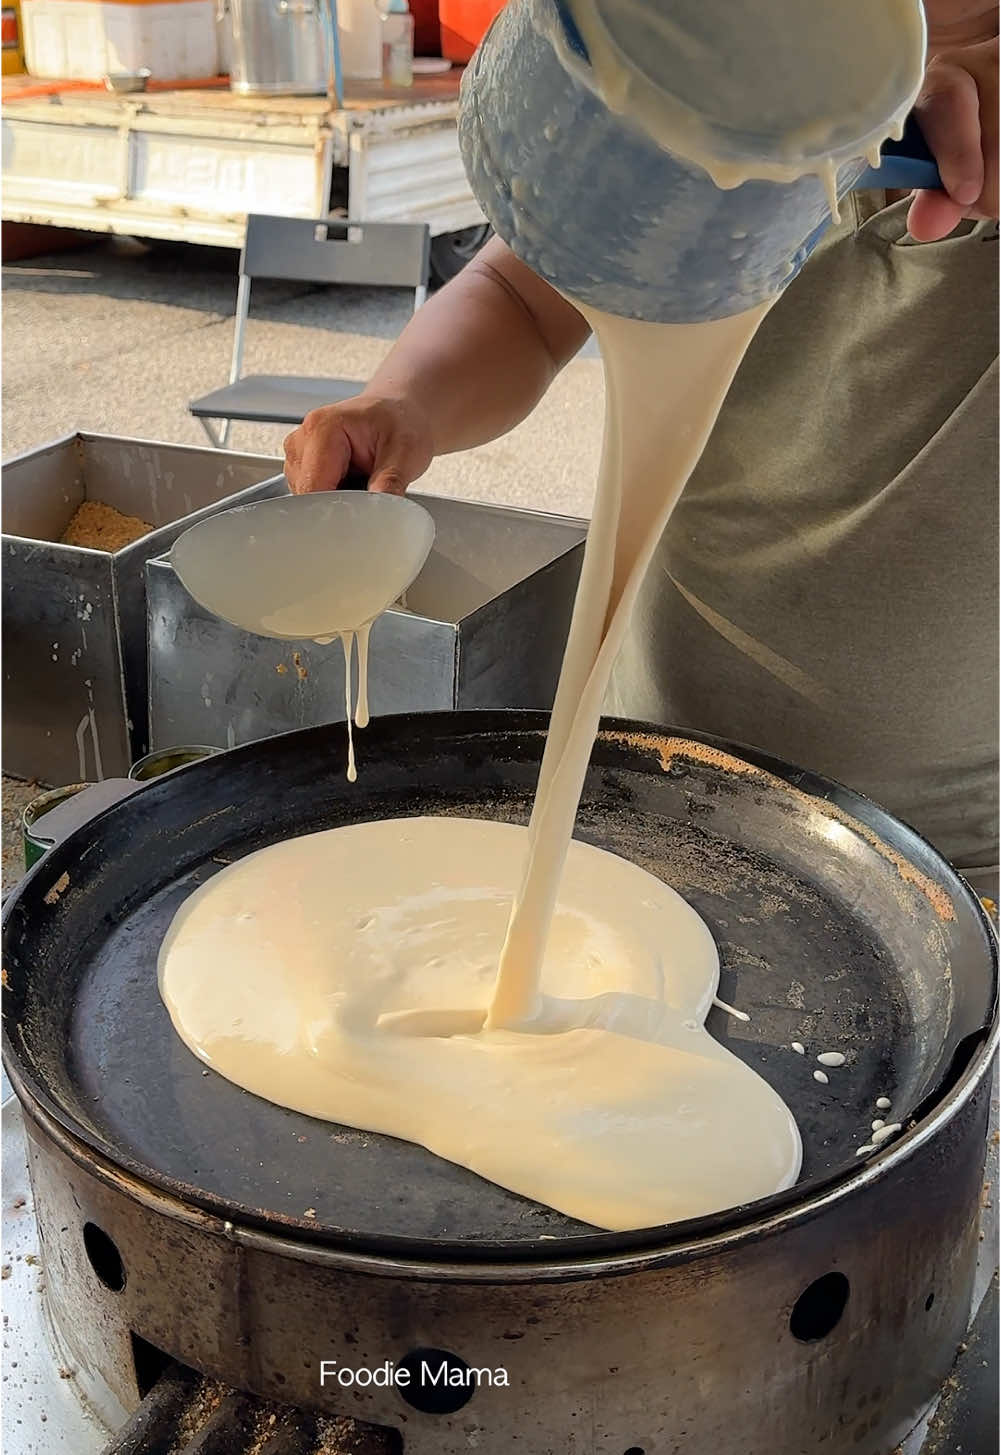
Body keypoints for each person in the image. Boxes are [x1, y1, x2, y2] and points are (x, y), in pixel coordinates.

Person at [284, 1, 999, 896]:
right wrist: (404, 400)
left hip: (937, 866)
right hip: (643, 767)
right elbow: (522, 291)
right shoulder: (733, 54)